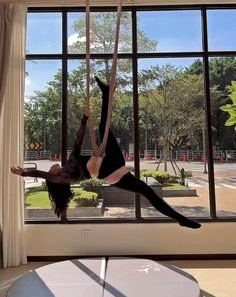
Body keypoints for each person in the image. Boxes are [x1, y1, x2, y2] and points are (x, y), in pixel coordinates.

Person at [11, 77, 201, 229]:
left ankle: (106, 92)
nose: (51, 166)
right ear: (53, 176)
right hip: (109, 170)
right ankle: (179, 218)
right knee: (147, 191)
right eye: (50, 171)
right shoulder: (62, 178)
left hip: (112, 169)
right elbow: (42, 174)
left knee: (147, 190)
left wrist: (84, 120)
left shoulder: (70, 162)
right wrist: (25, 173)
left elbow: (77, 140)